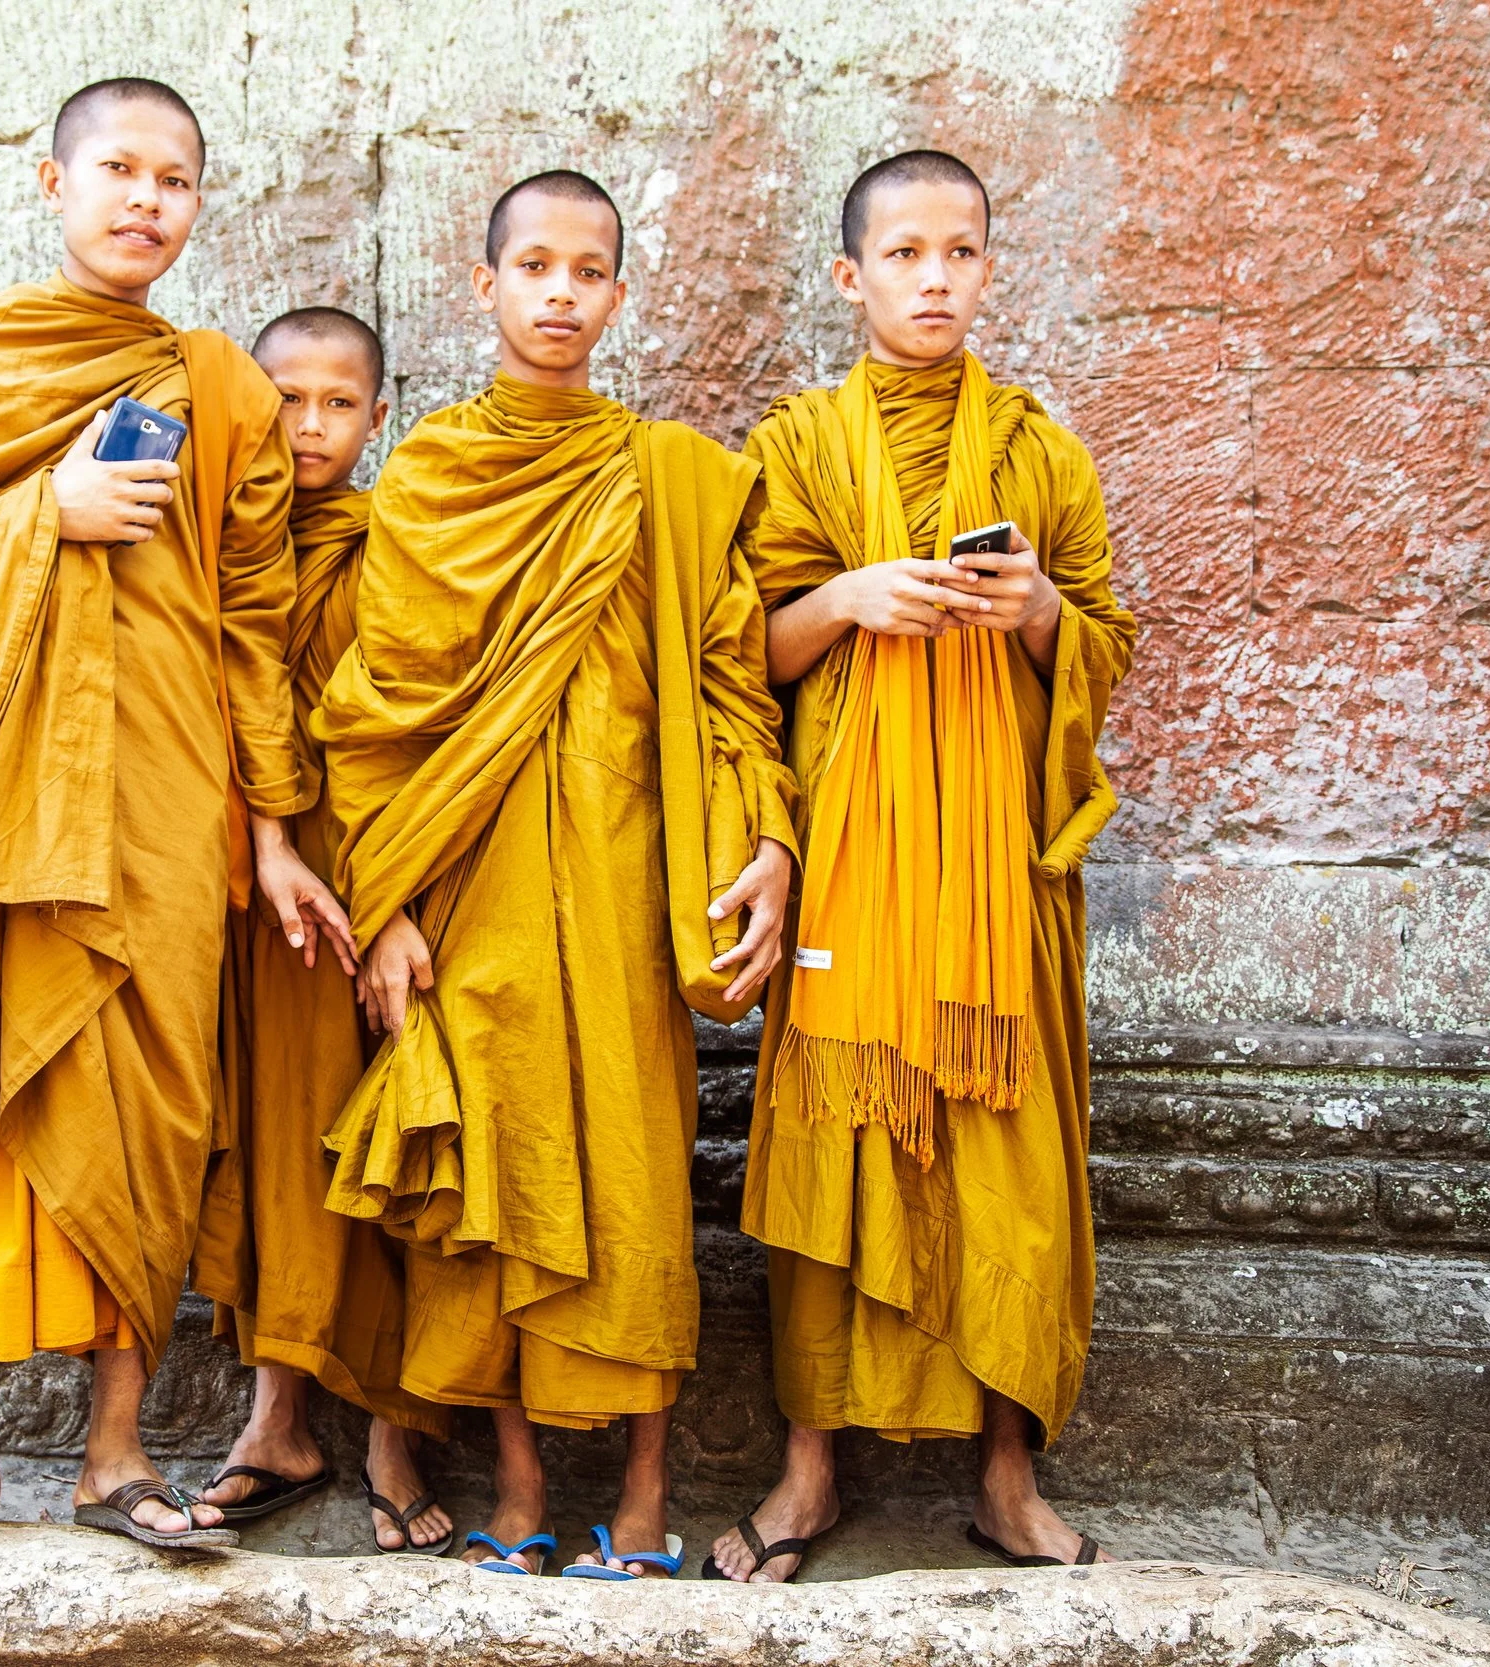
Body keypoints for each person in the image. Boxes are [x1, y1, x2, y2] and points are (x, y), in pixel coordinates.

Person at [0, 78, 357, 1580]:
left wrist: (268, 831)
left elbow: (255, 622)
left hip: (169, 803)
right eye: (117, 169)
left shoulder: (228, 388)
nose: (145, 199)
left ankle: (117, 1448)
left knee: (150, 1105)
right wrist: (35, 515)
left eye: (174, 179)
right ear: (51, 182)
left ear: (199, 202)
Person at [313, 171, 798, 1579]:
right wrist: (384, 902)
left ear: (620, 295)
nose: (561, 292)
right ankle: (521, 1484)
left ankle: (641, 1498)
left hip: (630, 877)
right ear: (486, 285)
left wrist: (765, 831)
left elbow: (726, 682)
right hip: (468, 889)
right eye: (533, 265)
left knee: (638, 1181)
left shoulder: (673, 479)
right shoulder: (429, 476)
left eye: (589, 270)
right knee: (496, 1182)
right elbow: (377, 704)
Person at [708, 150, 1138, 1583]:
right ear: (852, 277)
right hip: (844, 863)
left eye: (960, 252)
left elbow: (1110, 645)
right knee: (831, 1153)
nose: (934, 277)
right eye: (903, 254)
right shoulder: (793, 448)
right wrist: (845, 597)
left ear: (992, 271)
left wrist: (1038, 615)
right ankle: (810, 1467)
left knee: (1008, 1162)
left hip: (993, 875)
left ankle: (1007, 1473)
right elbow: (735, 656)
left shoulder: (1039, 448)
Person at [191, 307, 456, 1555]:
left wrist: (393, 893)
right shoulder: (211, 545)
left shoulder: (394, 541)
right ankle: (275, 1418)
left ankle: (396, 1428)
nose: (309, 426)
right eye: (285, 399)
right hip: (247, 885)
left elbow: (410, 727)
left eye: (338, 403)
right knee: (268, 1141)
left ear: (377, 417)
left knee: (375, 1140)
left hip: (369, 879)